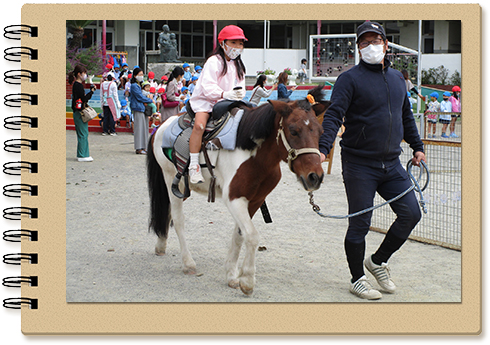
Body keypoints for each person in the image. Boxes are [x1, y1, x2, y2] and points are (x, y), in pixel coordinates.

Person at [318, 21, 426, 300]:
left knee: (411, 213)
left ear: (386, 44)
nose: (370, 46)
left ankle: (377, 261)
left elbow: (406, 117)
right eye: (364, 42)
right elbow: (333, 115)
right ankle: (357, 279)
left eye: (375, 40)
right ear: (358, 48)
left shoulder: (397, 80)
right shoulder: (349, 79)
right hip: (358, 164)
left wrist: (417, 146)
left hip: (392, 164)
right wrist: (323, 147)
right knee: (360, 224)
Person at [187, 25, 247, 184]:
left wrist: (239, 94)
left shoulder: (238, 64)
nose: (237, 47)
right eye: (233, 43)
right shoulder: (214, 61)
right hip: (206, 101)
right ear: (222, 43)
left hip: (226, 102)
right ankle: (194, 166)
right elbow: (207, 87)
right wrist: (224, 94)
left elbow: (241, 85)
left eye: (240, 43)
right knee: (199, 125)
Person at [68, 64, 96, 162]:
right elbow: (83, 99)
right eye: (84, 73)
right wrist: (91, 92)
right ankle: (82, 155)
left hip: (77, 112)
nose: (85, 75)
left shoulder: (77, 85)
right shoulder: (78, 85)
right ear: (79, 74)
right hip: (79, 113)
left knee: (83, 133)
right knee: (83, 134)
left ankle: (84, 154)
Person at [130, 68, 153, 155]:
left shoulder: (139, 85)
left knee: (144, 128)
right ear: (135, 76)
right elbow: (139, 97)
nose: (141, 76)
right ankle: (139, 148)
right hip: (138, 108)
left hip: (142, 108)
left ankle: (144, 147)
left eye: (142, 74)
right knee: (139, 128)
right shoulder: (134, 86)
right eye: (140, 74)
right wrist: (150, 100)